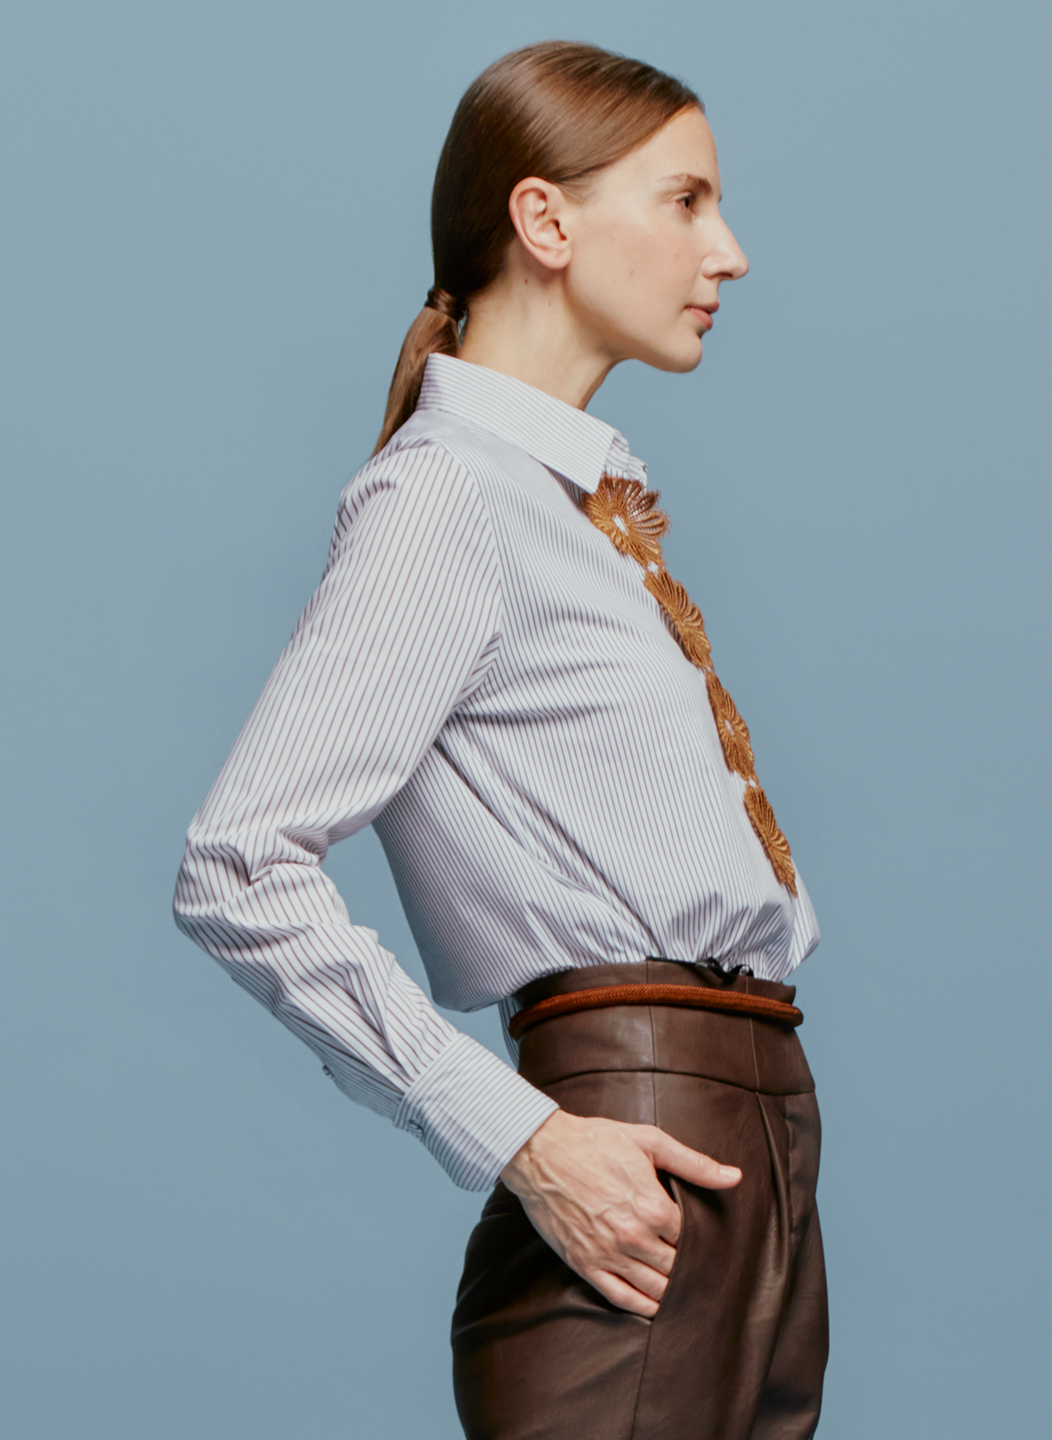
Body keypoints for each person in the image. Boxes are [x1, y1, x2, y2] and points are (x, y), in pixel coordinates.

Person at [173, 40, 827, 1440]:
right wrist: (519, 1132)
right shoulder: (448, 501)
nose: (733, 252)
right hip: (635, 1130)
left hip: (756, 1149)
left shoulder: (569, 505)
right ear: (546, 221)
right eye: (687, 201)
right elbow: (236, 864)